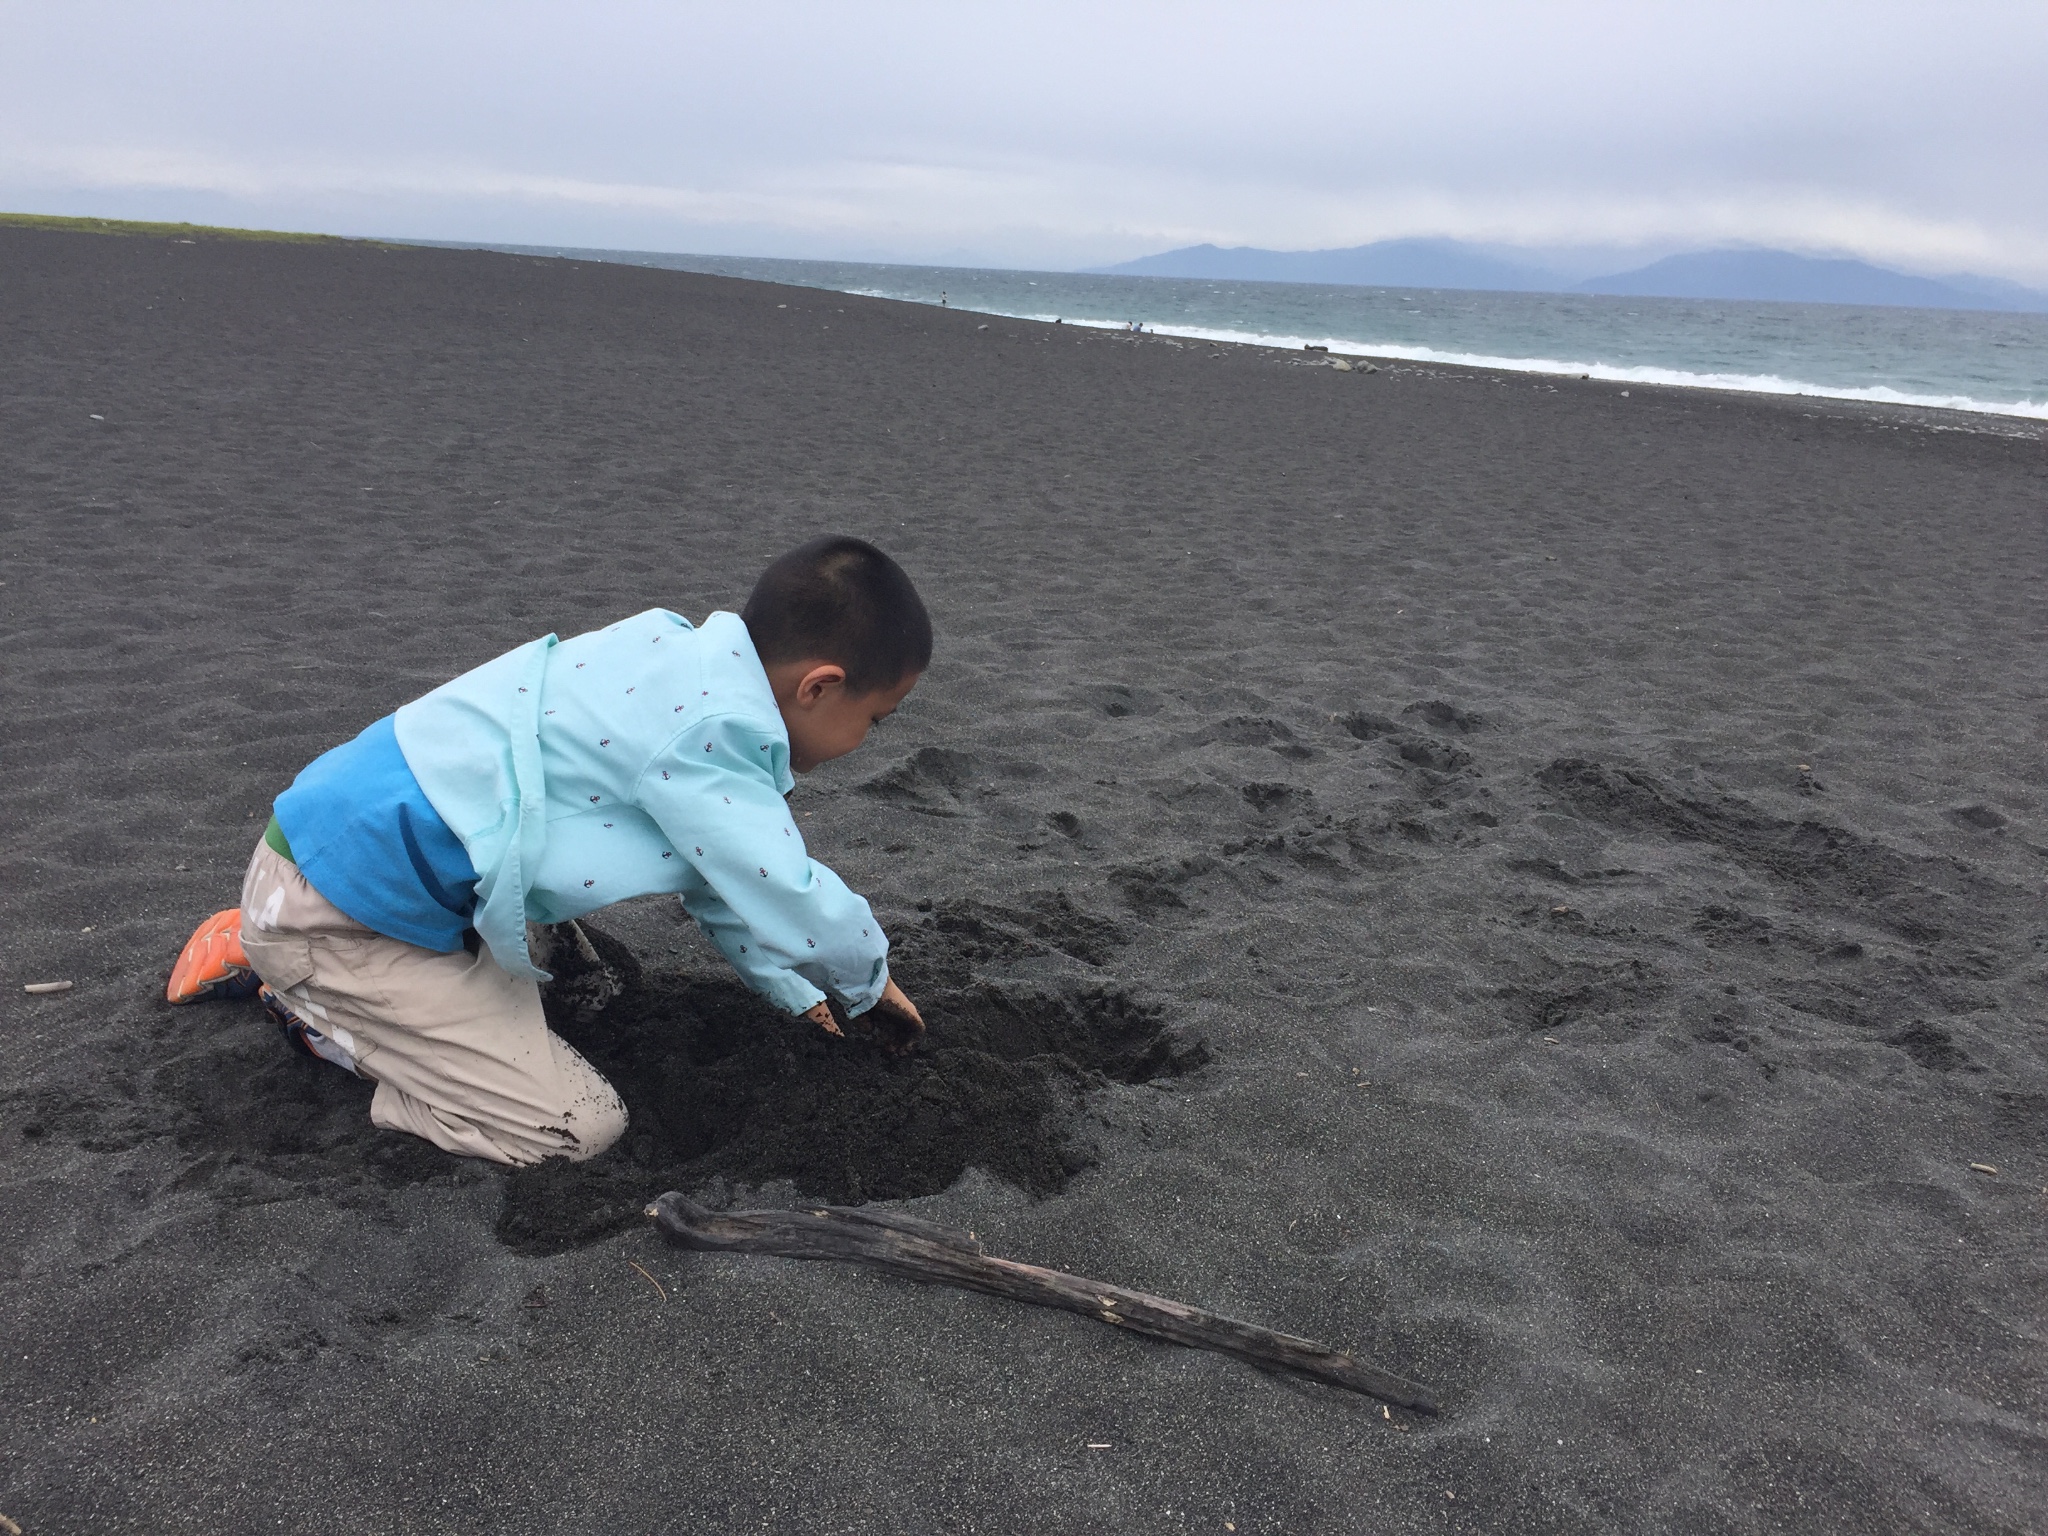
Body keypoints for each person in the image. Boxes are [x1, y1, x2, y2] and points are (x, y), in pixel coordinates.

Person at [165, 536, 931, 1166]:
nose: (868, 742)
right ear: (820, 687)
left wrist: (800, 998)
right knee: (573, 1130)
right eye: (878, 719)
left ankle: (289, 941)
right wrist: (867, 982)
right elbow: (787, 890)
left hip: (359, 859)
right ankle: (310, 1007)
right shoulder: (707, 738)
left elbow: (727, 889)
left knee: (575, 988)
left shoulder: (676, 658)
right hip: (337, 913)